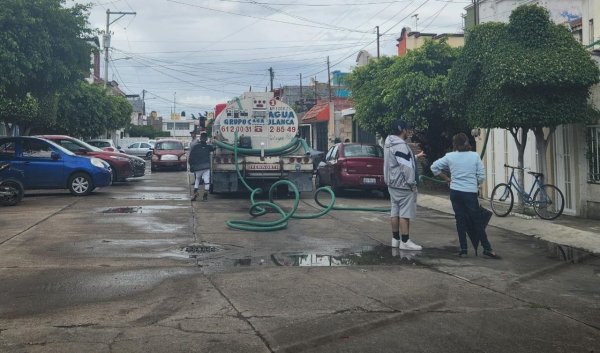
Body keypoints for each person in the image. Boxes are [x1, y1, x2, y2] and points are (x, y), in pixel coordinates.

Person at [430, 132, 501, 259]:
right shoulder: (474, 156)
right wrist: (474, 183)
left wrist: (447, 178)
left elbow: (434, 167)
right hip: (470, 193)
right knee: (477, 221)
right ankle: (487, 248)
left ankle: (463, 249)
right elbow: (481, 176)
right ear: (467, 142)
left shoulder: (450, 156)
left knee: (460, 220)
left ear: (455, 144)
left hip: (455, 192)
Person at [384, 119, 425, 250]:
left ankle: (395, 239)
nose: (408, 132)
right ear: (403, 130)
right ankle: (405, 241)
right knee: (405, 213)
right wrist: (411, 184)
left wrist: (416, 157)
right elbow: (406, 167)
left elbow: (399, 160)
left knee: (394, 211)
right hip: (403, 185)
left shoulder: (389, 143)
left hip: (391, 183)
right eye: (407, 129)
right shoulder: (401, 145)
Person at [188, 131, 215, 201]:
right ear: (206, 139)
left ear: (200, 138)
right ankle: (205, 195)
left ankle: (195, 194)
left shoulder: (195, 146)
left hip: (198, 167)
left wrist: (191, 166)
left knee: (197, 179)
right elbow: (214, 147)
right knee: (206, 181)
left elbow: (191, 157)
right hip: (206, 167)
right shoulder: (208, 147)